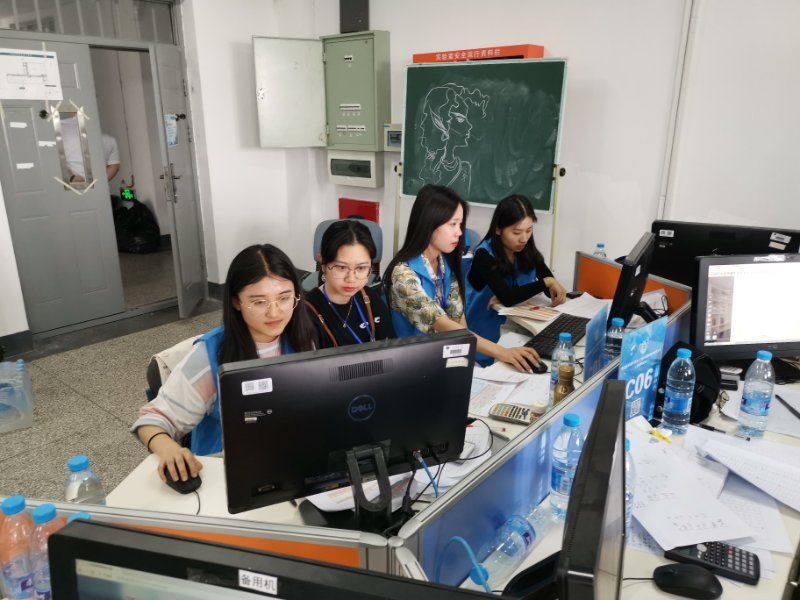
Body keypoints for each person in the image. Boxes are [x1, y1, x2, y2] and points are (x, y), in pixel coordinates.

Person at [131, 244, 318, 483]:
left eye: (284, 298)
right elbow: (151, 421)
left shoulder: (302, 339)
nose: (275, 313)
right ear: (236, 302)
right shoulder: (211, 356)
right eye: (259, 302)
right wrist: (169, 449)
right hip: (226, 474)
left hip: (288, 464)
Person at [384, 184, 541, 373]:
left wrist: (467, 363)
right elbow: (446, 325)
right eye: (453, 224)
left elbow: (459, 321)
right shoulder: (403, 275)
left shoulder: (444, 264)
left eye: (460, 224)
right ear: (429, 223)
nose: (459, 232)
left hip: (441, 359)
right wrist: (503, 353)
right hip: (414, 367)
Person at [465, 195, 568, 365]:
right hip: (486, 339)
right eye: (516, 232)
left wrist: (549, 285)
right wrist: (546, 282)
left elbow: (548, 290)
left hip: (517, 330)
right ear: (498, 229)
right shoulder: (484, 256)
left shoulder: (526, 249)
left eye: (529, 230)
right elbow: (509, 298)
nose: (524, 239)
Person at [305, 220, 395, 347]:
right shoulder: (307, 313)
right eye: (341, 267)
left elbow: (391, 347)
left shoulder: (371, 299)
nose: (351, 279)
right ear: (323, 264)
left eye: (361, 268)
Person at [60, 116, 120, 182]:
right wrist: (98, 183)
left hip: (71, 185)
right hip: (74, 185)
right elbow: (114, 166)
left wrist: (72, 178)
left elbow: (114, 166)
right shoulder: (110, 140)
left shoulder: (61, 126)